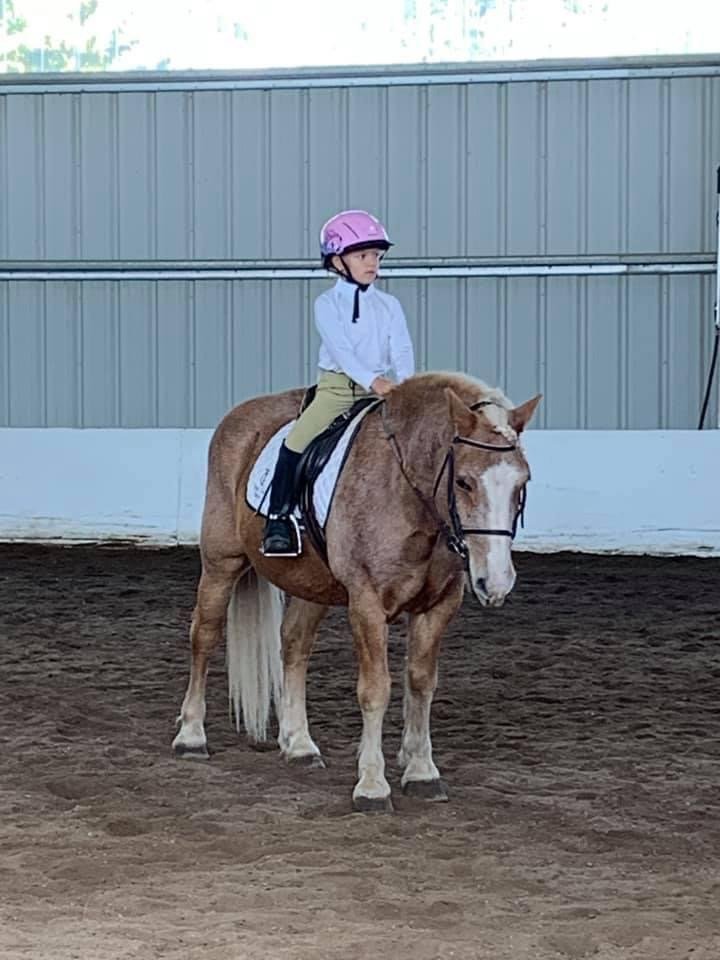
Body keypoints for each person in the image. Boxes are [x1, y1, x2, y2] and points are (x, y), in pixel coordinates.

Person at [262, 209, 415, 557]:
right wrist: (374, 381)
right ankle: (278, 518)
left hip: (383, 391)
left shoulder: (390, 305)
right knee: (296, 441)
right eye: (363, 256)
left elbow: (402, 348)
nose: (372, 262)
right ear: (337, 261)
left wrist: (407, 388)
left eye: (376, 255)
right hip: (337, 389)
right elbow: (342, 351)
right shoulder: (326, 304)